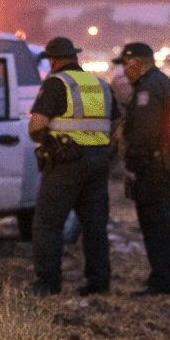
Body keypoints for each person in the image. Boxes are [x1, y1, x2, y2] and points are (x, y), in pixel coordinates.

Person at [29, 36, 117, 296]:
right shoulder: (98, 84)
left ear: (53, 61)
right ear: (75, 57)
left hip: (65, 162)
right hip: (99, 161)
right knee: (94, 225)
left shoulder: (56, 84)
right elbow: (114, 123)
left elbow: (36, 125)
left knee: (48, 224)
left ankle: (47, 284)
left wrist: (44, 140)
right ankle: (99, 284)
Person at [114, 41, 170, 295]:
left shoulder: (148, 89)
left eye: (125, 64)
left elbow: (144, 133)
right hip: (169, 165)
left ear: (137, 63)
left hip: (155, 169)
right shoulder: (161, 82)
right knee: (166, 224)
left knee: (157, 225)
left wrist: (134, 165)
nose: (124, 71)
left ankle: (163, 282)